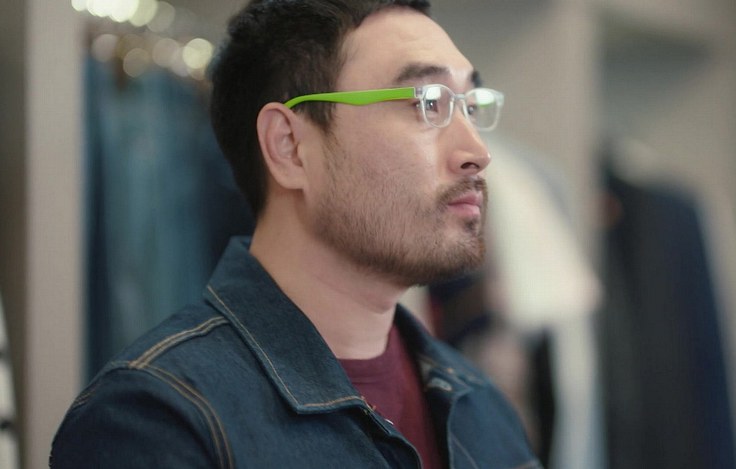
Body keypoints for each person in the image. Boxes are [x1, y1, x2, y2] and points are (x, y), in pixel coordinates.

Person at [51, 0, 540, 467]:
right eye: (426, 102)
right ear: (289, 147)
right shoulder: (160, 420)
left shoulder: (480, 405)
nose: (477, 152)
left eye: (469, 105)